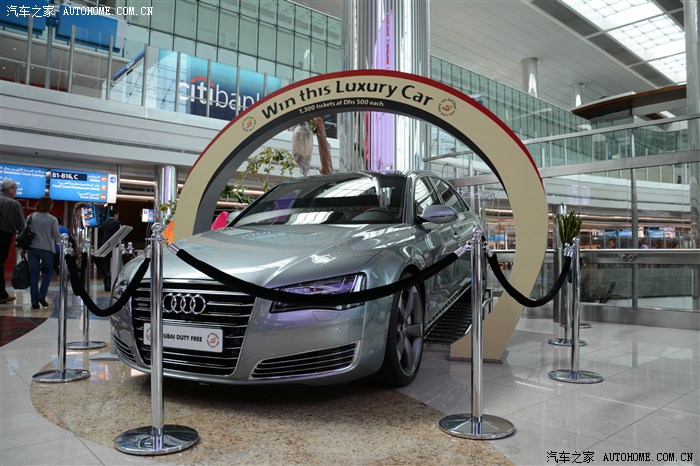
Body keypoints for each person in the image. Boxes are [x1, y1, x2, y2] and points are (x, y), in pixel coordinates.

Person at [25, 196, 61, 309]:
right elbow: (56, 235)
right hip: (47, 249)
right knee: (48, 273)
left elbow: (25, 232)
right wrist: (61, 246)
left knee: (34, 275)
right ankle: (42, 295)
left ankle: (34, 301)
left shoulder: (30, 217)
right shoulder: (53, 219)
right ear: (49, 206)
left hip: (33, 249)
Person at [0, 179, 26, 304]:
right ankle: (1, 295)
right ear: (9, 189)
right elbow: (21, 225)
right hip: (4, 235)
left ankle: (2, 294)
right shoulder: (14, 204)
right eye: (15, 189)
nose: (16, 191)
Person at [97, 208, 120, 291]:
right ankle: (113, 283)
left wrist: (100, 247)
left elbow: (100, 236)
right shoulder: (117, 223)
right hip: (114, 247)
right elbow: (119, 235)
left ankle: (106, 284)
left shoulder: (104, 223)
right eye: (118, 215)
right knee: (114, 266)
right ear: (115, 214)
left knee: (105, 266)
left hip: (105, 246)